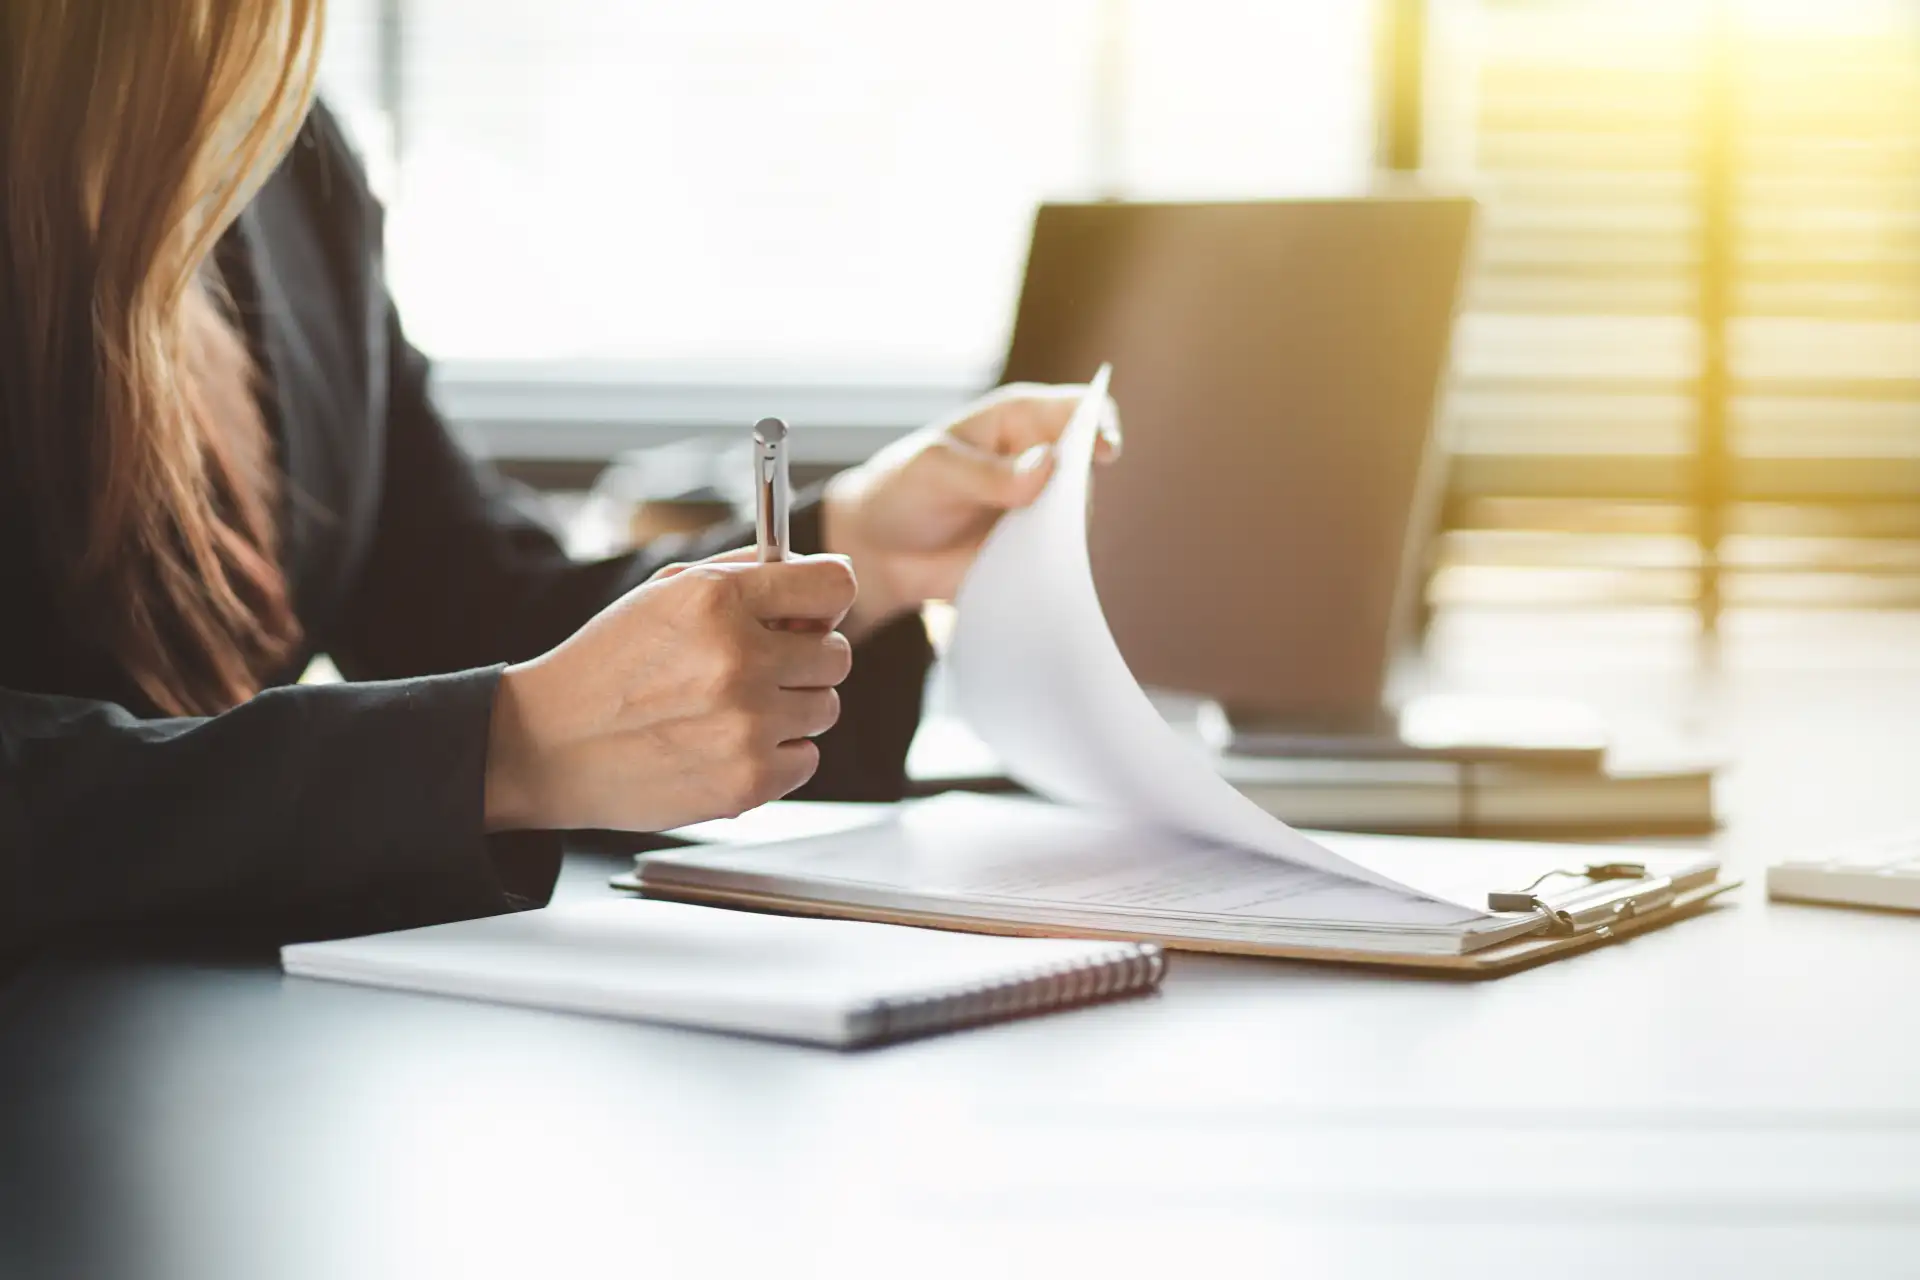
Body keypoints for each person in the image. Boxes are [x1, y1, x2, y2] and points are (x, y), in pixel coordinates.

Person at [0, 0, 1114, 953]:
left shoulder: (285, 160)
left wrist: (860, 550)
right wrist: (507, 748)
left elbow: (476, 611)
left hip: (231, 1047)